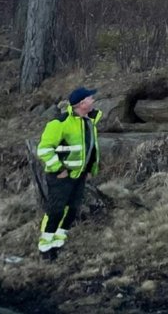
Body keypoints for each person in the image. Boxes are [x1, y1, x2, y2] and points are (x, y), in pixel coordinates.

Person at [35, 86, 101, 258]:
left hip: (80, 175)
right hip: (61, 176)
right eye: (90, 98)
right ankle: (45, 247)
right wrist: (60, 169)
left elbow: (91, 148)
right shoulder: (60, 123)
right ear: (81, 103)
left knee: (72, 210)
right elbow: (43, 149)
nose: (93, 100)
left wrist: (91, 168)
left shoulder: (90, 121)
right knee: (56, 210)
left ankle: (59, 241)